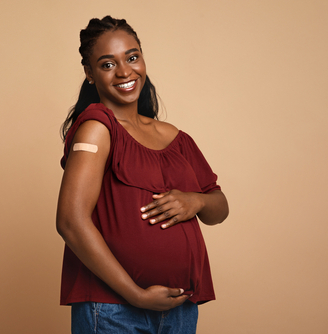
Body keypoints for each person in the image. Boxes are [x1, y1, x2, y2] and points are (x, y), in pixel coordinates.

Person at [56, 16, 229, 334]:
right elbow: (70, 221)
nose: (124, 72)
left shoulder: (176, 137)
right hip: (114, 310)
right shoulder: (97, 129)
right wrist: (135, 294)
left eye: (132, 57)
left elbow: (220, 208)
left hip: (179, 309)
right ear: (90, 73)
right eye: (107, 64)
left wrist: (195, 201)